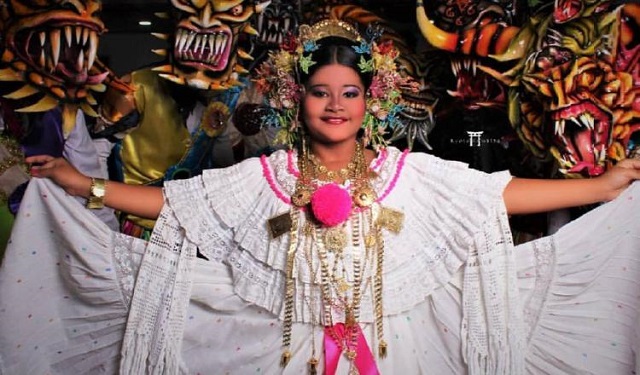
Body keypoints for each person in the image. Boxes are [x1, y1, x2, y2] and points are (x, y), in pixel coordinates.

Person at [2, 19, 640, 375]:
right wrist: (85, 185)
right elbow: (179, 206)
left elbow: (496, 197)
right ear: (297, 99)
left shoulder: (408, 173)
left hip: (401, 351)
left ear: (372, 102)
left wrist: (603, 185)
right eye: (320, 92)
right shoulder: (266, 177)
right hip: (280, 350)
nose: (335, 105)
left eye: (350, 93)